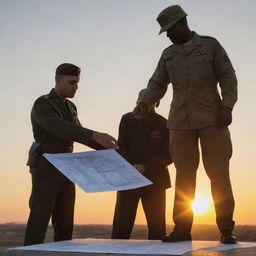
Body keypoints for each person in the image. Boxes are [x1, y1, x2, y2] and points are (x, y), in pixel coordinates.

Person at [133, 5, 237, 244]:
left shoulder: (210, 46)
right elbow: (157, 84)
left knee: (218, 174)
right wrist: (143, 103)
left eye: (170, 29)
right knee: (184, 177)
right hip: (180, 122)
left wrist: (227, 106)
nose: (167, 34)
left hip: (213, 119)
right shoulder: (168, 55)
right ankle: (182, 229)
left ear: (183, 23)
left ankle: (226, 229)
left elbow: (228, 77)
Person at [24, 63, 118, 245]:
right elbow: (61, 128)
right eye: (72, 82)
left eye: (77, 83)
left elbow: (79, 133)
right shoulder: (42, 104)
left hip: (68, 168)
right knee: (40, 217)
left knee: (65, 219)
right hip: (46, 167)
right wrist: (94, 134)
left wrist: (109, 150)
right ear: (58, 80)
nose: (76, 87)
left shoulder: (71, 107)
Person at [111, 89, 172, 240]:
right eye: (140, 99)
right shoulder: (126, 119)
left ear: (157, 102)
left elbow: (170, 154)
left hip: (155, 181)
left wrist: (146, 167)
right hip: (128, 179)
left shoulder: (165, 124)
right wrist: (129, 168)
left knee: (157, 229)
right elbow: (121, 146)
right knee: (121, 229)